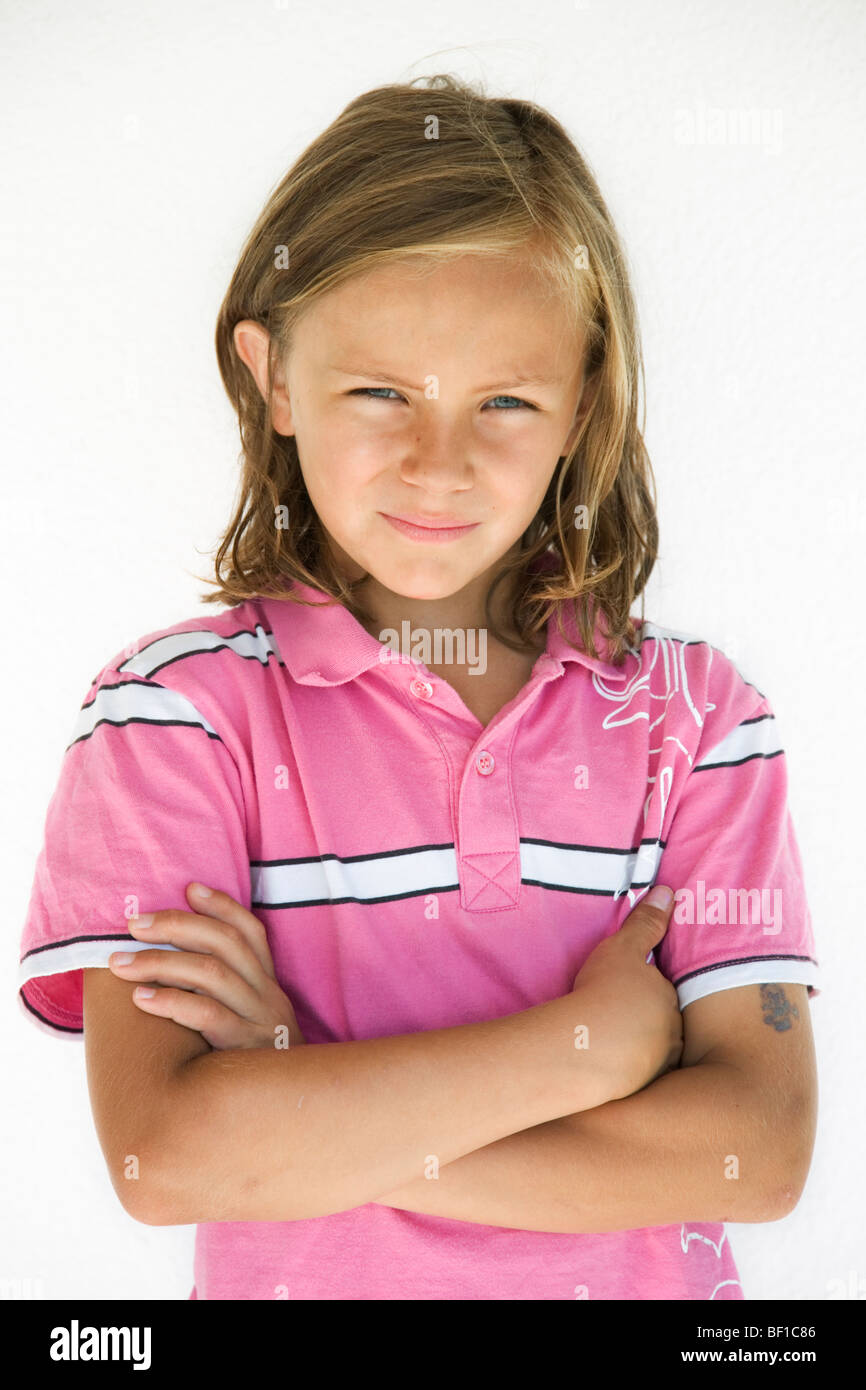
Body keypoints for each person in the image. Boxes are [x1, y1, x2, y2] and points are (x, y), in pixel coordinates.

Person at [17, 74, 819, 1300]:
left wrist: (295, 1089)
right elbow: (165, 1155)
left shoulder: (696, 721)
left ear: (582, 405)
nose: (436, 464)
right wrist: (583, 1047)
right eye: (380, 391)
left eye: (504, 399)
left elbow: (751, 1153)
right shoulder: (171, 720)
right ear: (274, 375)